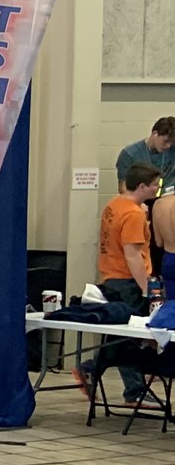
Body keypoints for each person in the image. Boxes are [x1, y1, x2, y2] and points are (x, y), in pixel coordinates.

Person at [76, 163, 160, 403]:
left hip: (111, 275)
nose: (157, 189)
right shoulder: (133, 214)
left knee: (118, 336)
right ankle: (133, 390)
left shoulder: (115, 205)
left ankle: (94, 369)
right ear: (142, 186)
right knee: (129, 337)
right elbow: (132, 254)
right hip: (127, 280)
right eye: (154, 185)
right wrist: (146, 288)